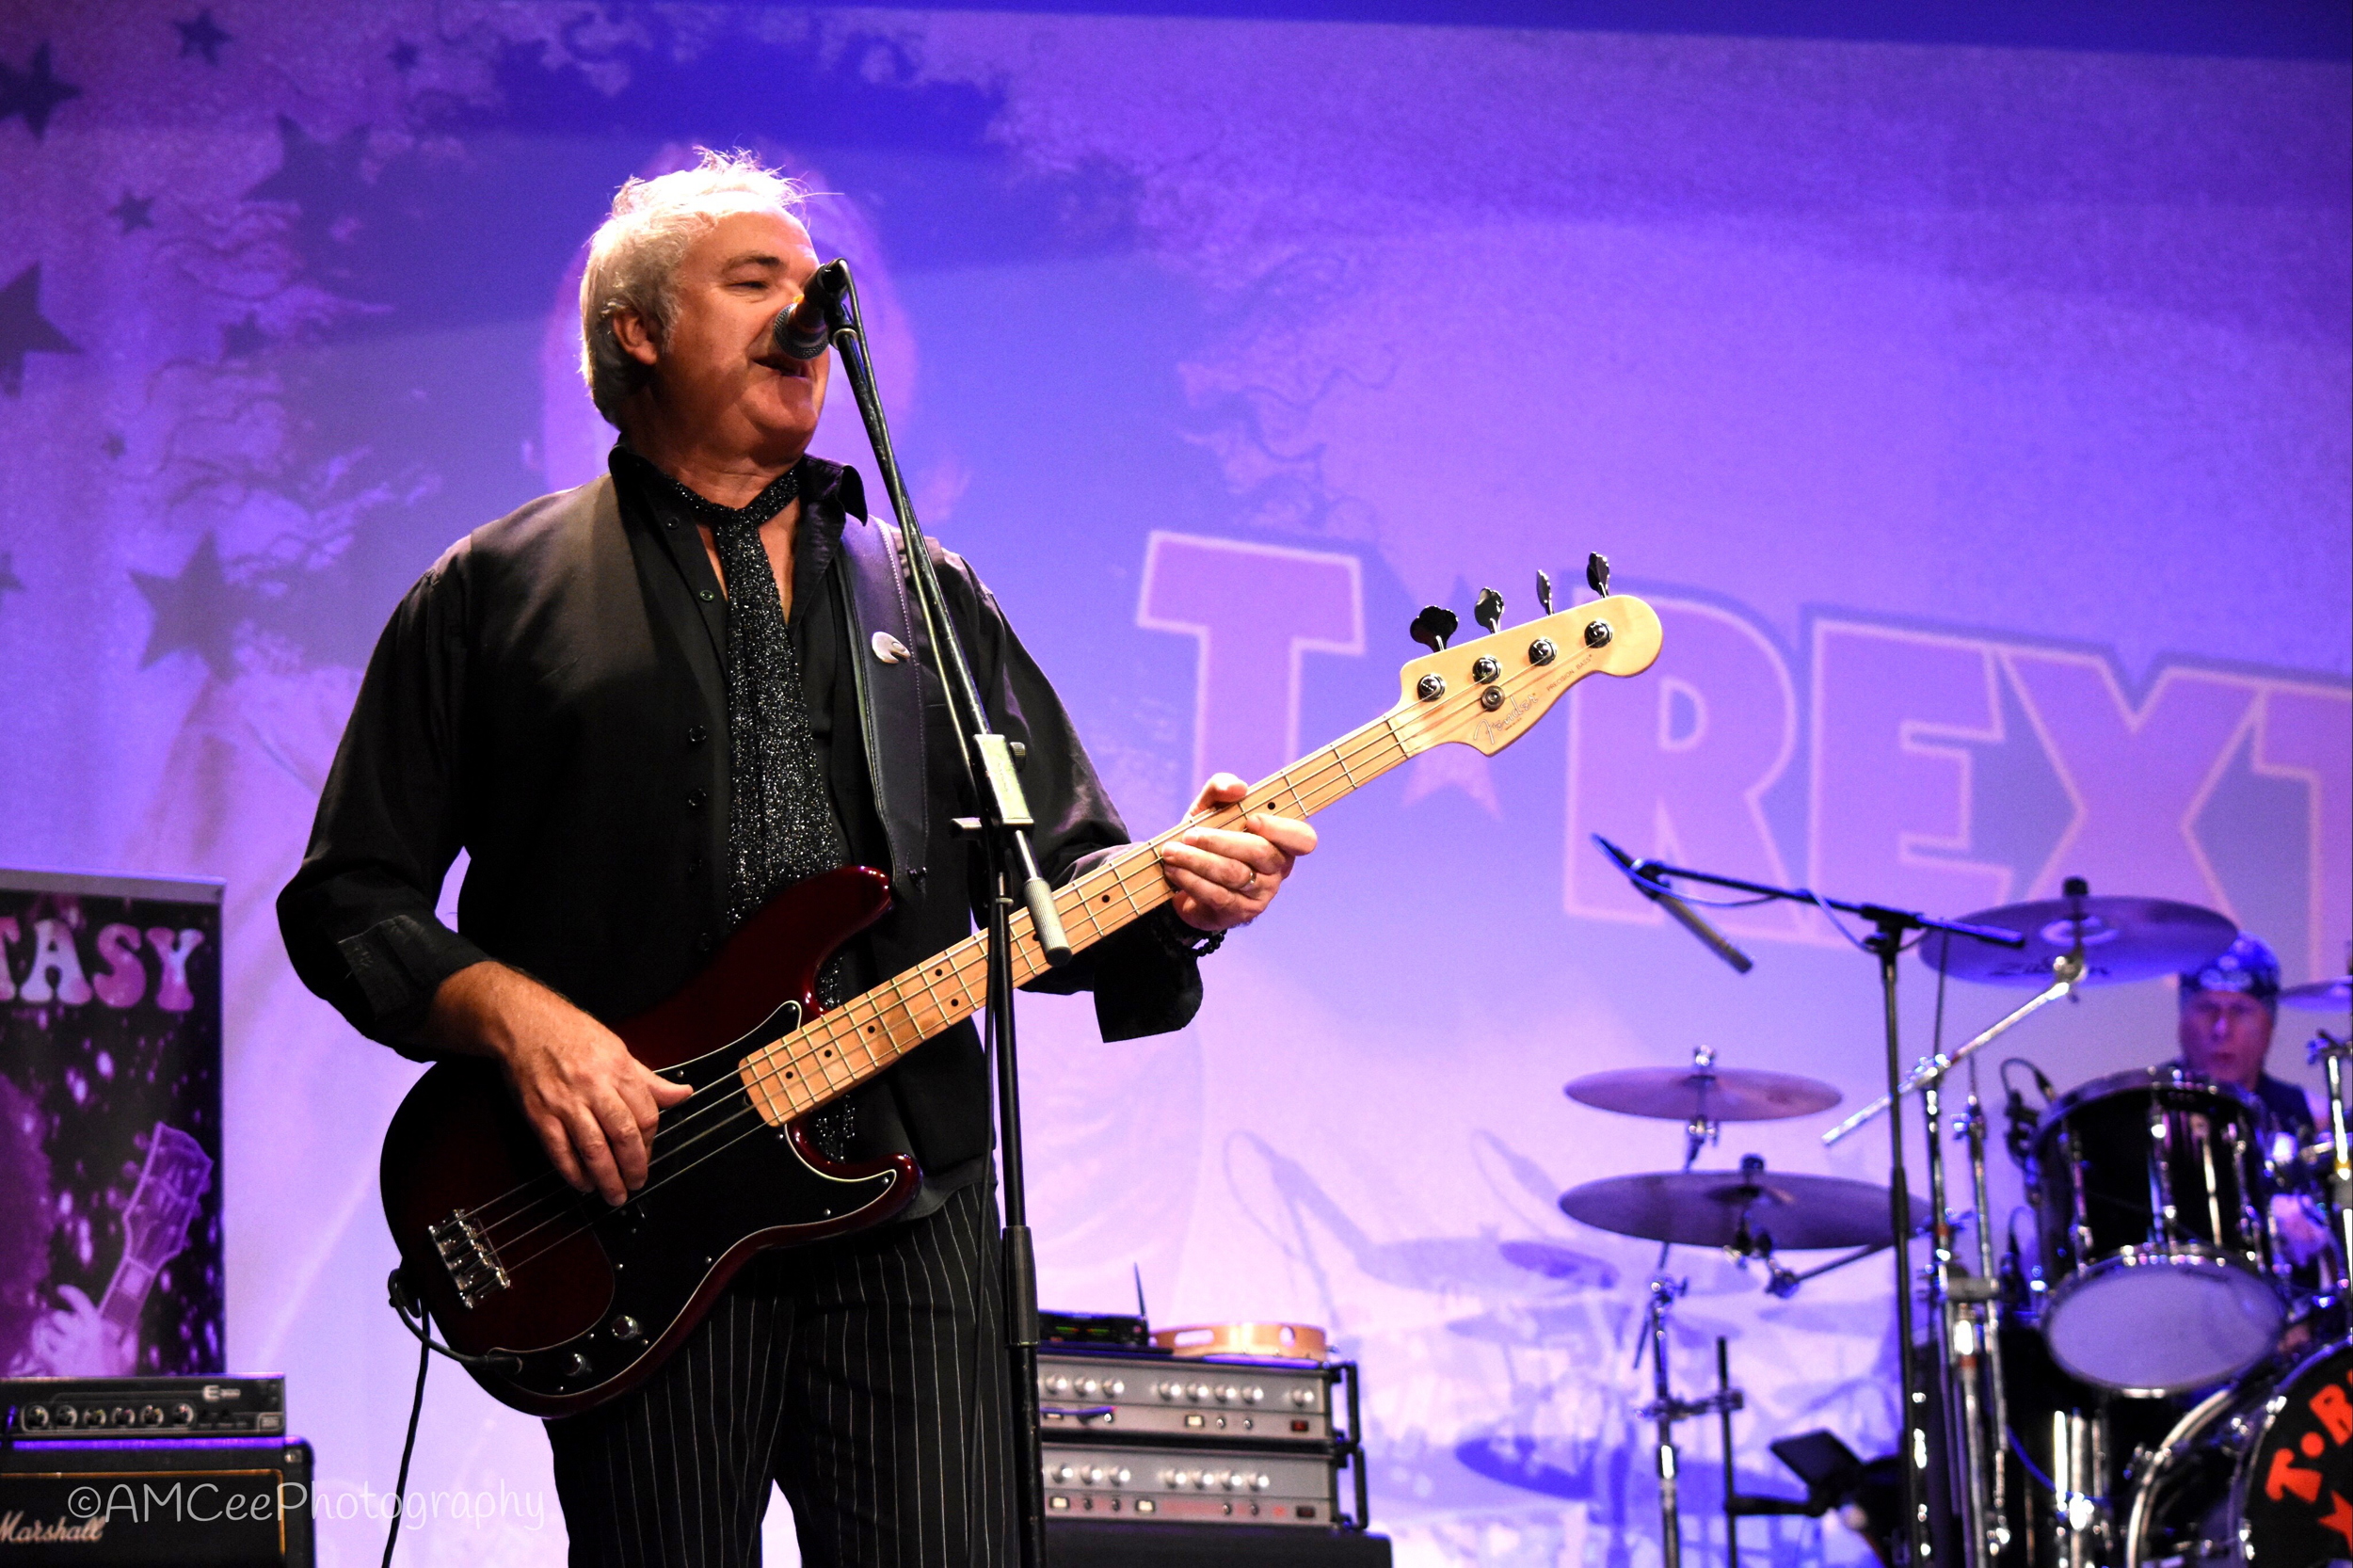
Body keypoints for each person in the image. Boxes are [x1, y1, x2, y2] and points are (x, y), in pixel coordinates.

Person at [277, 150, 1317, 1567]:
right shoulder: (491, 594)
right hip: (636, 1206)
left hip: (910, 1195)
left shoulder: (925, 593)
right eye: (754, 279)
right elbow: (349, 896)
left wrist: (1186, 897)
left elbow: (1062, 879)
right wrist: (519, 1022)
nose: (805, 308)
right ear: (638, 330)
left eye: (818, 285)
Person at [2174, 932, 2332, 1269]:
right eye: (2207, 1008)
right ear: (2181, 1019)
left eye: (2241, 1011)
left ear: (2270, 1023)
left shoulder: (2314, 1117)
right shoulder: (2140, 1112)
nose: (2221, 1029)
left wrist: (2321, 1225)